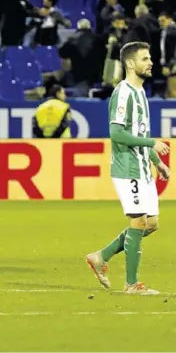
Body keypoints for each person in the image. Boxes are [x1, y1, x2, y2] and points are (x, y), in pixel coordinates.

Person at [86, 41, 170, 295]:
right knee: (138, 223)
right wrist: (152, 144)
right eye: (145, 59)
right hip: (127, 168)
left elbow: (140, 131)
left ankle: (101, 256)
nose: (151, 62)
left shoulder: (141, 92)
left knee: (151, 224)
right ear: (131, 64)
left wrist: (157, 161)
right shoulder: (122, 93)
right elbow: (117, 133)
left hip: (143, 167)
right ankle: (132, 284)